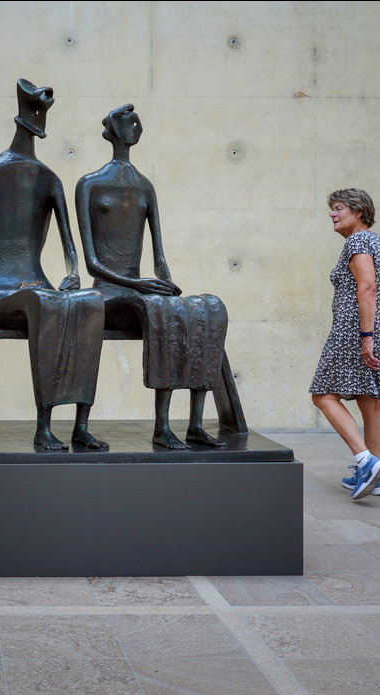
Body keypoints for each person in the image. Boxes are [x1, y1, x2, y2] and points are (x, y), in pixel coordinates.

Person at [0, 79, 108, 451]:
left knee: (92, 302)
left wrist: (72, 274)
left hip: (42, 291)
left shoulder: (50, 180)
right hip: (4, 294)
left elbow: (71, 252)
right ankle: (44, 425)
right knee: (42, 301)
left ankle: (80, 425)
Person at [75, 103, 229, 449]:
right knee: (161, 312)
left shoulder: (145, 186)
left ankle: (194, 424)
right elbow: (92, 264)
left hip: (140, 289)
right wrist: (139, 284)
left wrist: (167, 284)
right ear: (114, 131)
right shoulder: (89, 184)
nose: (136, 126)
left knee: (207, 309)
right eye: (129, 122)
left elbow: (159, 257)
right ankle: (161, 428)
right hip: (108, 292)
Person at [309, 189, 380, 499]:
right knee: (369, 401)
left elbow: (368, 288)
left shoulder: (359, 242)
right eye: (332, 209)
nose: (332, 214)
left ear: (358, 212)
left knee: (322, 396)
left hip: (355, 331)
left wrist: (366, 338)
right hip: (379, 327)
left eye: (338, 209)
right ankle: (374, 477)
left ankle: (366, 461)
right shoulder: (378, 242)